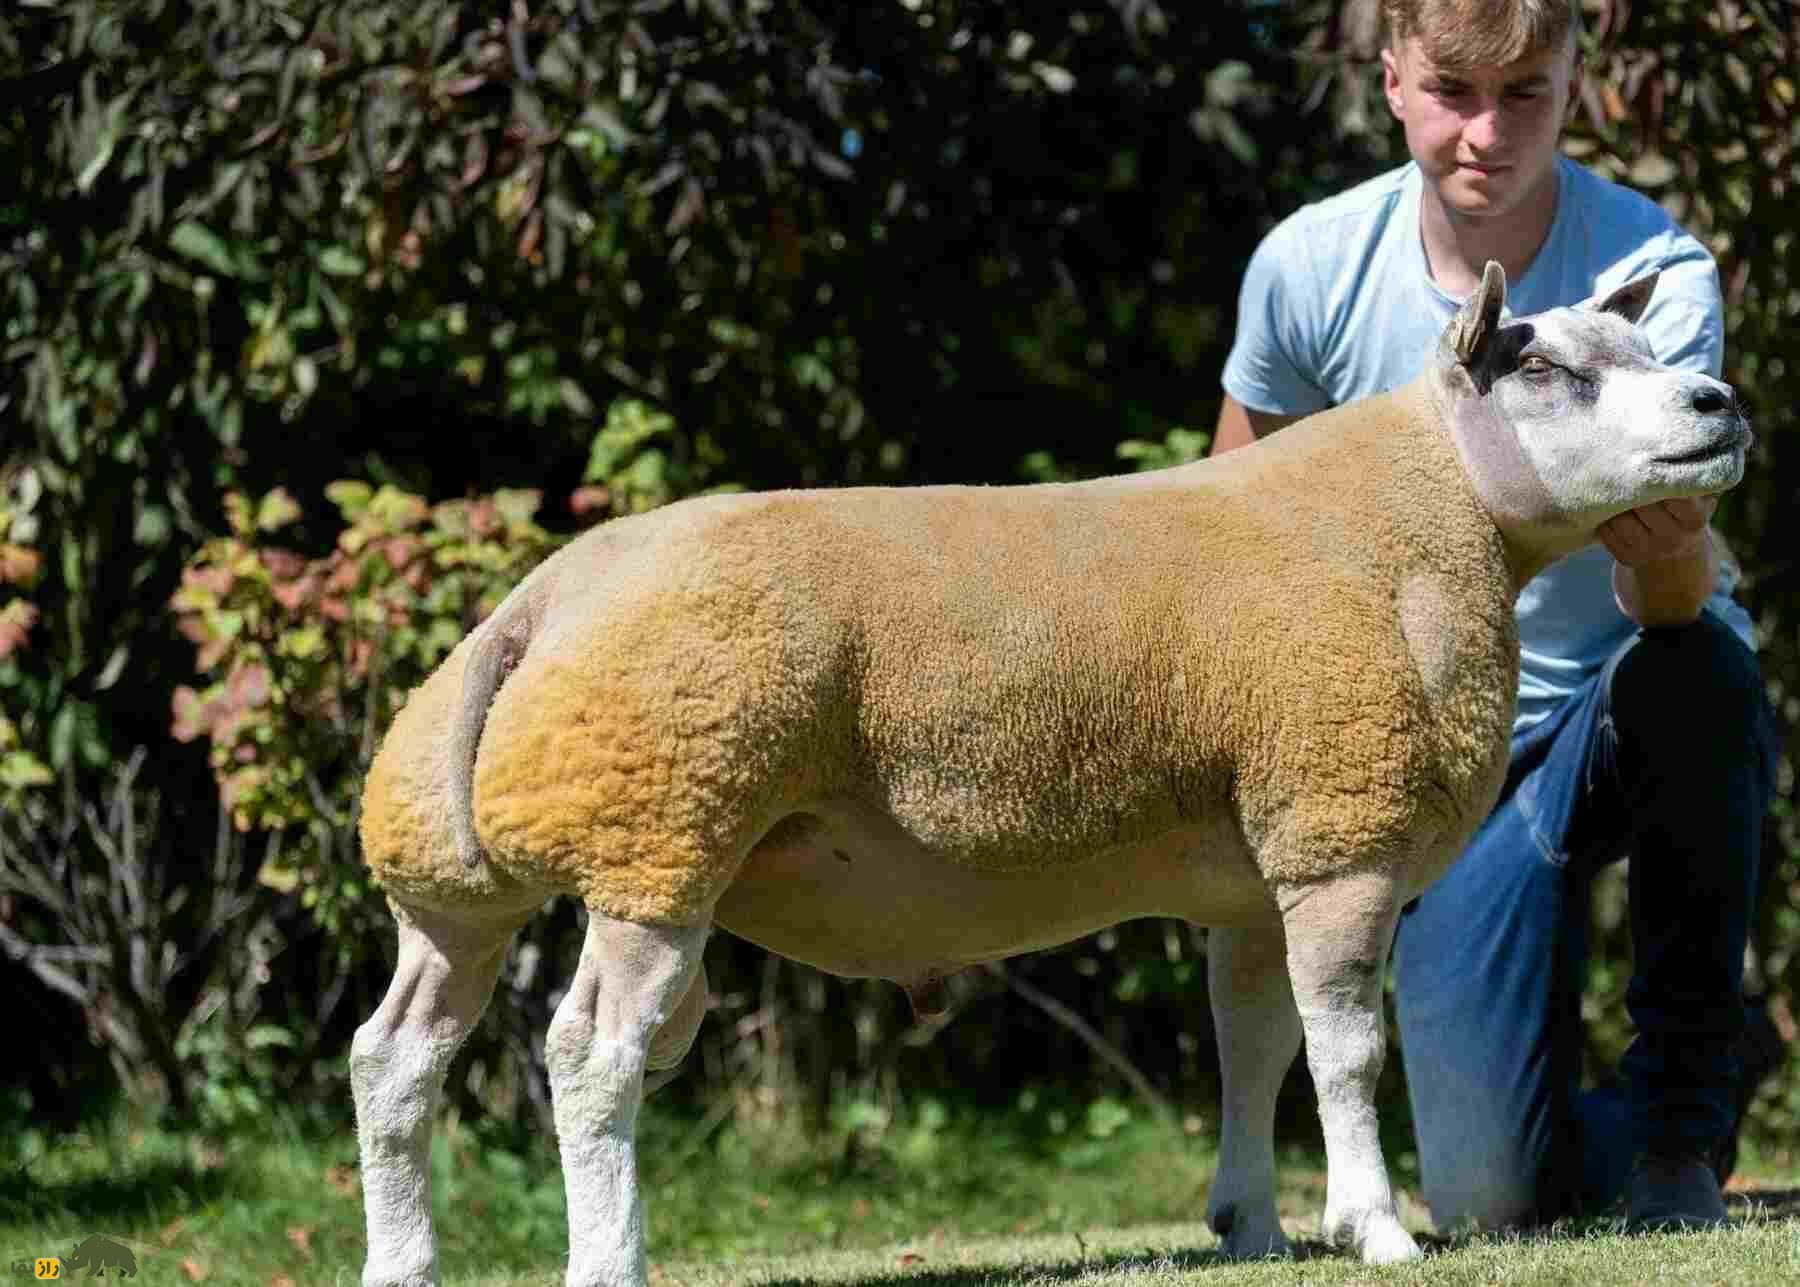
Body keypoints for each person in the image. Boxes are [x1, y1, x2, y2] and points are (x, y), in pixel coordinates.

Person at [1211, 0, 1781, 1233]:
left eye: (1523, 93)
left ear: (1575, 80)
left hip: (1604, 706)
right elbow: (1221, 533)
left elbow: (1669, 602)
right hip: (1420, 763)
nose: (1485, 131)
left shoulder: (1656, 268)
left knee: (1698, 672)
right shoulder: (1309, 268)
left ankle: (1681, 1128)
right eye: (1453, 92)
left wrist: (1669, 544)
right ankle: (1666, 1090)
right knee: (1495, 1197)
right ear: (1394, 82)